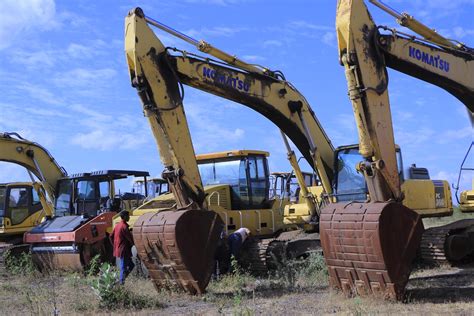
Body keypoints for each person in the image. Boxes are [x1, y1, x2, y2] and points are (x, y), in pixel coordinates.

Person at [110, 210, 135, 284]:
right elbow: (130, 239)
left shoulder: (117, 225)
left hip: (120, 249)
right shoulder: (124, 227)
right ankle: (121, 283)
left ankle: (121, 279)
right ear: (124, 217)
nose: (129, 217)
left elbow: (111, 236)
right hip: (123, 250)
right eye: (128, 216)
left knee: (131, 265)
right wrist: (134, 244)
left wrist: (114, 245)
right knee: (123, 267)